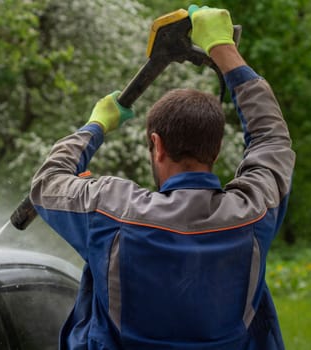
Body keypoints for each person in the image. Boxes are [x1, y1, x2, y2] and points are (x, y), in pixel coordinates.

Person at [29, 5, 295, 350]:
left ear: (156, 145)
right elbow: (271, 138)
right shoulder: (253, 211)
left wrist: (96, 125)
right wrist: (222, 49)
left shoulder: (110, 209)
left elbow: (46, 183)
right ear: (215, 150)